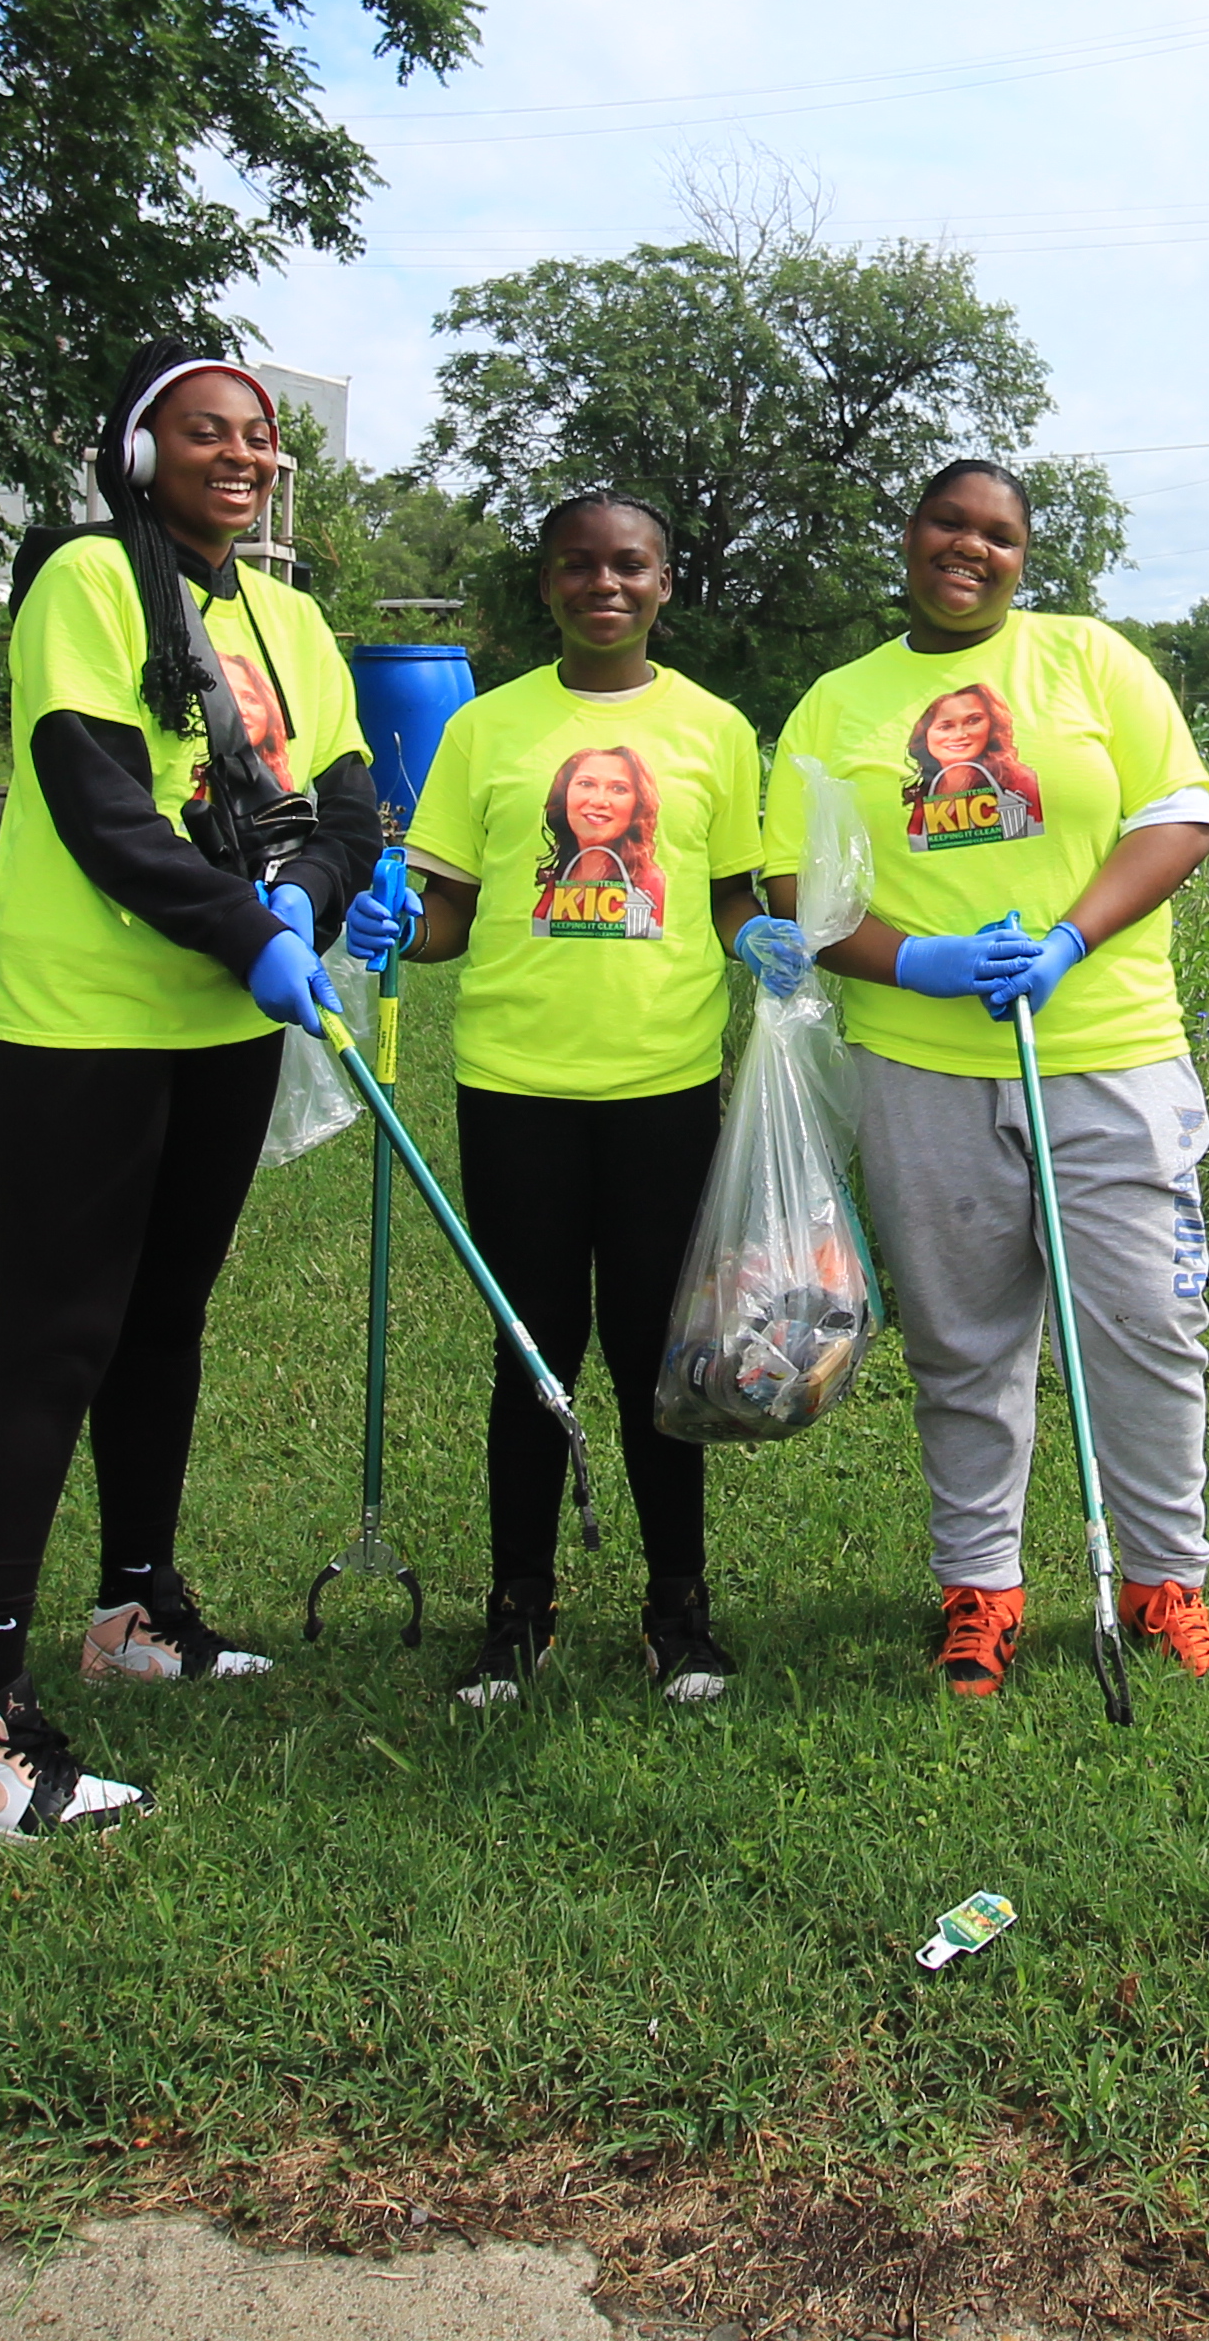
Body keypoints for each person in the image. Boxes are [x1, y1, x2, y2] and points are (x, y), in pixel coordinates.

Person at [0, 347, 375, 1844]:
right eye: (206, 432)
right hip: (84, 1017)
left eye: (257, 437)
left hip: (226, 1016)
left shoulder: (290, 616)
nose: (238, 454)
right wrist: (253, 931)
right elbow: (99, 800)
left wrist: (294, 905)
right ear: (139, 448)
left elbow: (349, 802)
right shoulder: (88, 585)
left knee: (165, 1319)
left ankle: (134, 1614)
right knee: (57, 1340)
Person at [768, 458, 1209, 1699]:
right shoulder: (836, 704)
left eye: (998, 536)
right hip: (921, 1062)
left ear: (1026, 557)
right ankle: (981, 1589)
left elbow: (1180, 814)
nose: (969, 549)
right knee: (965, 1341)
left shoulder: (1091, 660)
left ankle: (1164, 1582)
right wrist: (918, 962)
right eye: (945, 524)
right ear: (908, 534)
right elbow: (792, 890)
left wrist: (1074, 936)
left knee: (1148, 1328)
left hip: (1110, 1052)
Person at [344, 490, 773, 1707]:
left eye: (629, 565)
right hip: (516, 1086)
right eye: (577, 566)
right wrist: (393, 928)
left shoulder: (717, 730)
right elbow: (449, 917)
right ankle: (517, 1611)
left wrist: (764, 947)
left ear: (665, 582)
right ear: (546, 586)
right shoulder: (487, 729)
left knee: (659, 1358)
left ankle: (677, 1609)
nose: (605, 585)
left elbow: (733, 895)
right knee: (531, 1352)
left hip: (665, 1086)